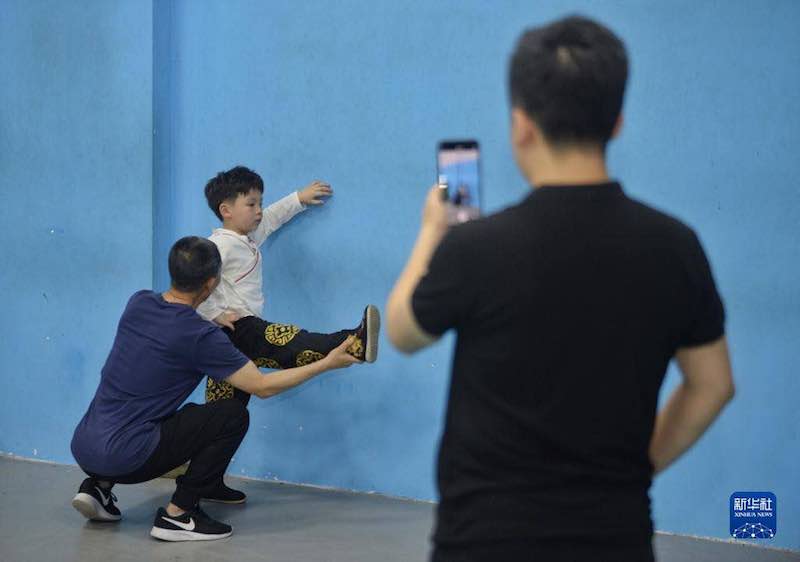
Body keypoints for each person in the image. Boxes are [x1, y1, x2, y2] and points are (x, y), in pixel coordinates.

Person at [387, 15, 734, 562]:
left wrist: (433, 230)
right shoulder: (675, 245)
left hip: (484, 539)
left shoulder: (478, 245)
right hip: (615, 536)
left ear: (521, 126)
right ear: (617, 122)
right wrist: (637, 468)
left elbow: (403, 332)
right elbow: (713, 385)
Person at [70, 237, 361, 541]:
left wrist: (214, 315)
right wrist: (326, 363)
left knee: (155, 409)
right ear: (211, 283)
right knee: (232, 415)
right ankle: (178, 515)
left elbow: (173, 325)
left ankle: (98, 488)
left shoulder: (139, 303)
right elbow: (261, 386)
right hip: (128, 458)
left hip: (85, 447)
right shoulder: (201, 336)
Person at [196, 165, 380, 501]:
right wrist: (215, 313)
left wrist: (299, 198)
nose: (259, 210)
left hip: (229, 345)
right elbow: (195, 283)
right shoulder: (218, 245)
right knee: (291, 343)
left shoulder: (246, 239)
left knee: (226, 417)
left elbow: (272, 218)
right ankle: (353, 340)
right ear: (226, 210)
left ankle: (204, 481)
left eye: (260, 202)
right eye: (251, 204)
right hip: (238, 329)